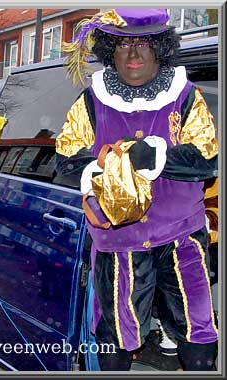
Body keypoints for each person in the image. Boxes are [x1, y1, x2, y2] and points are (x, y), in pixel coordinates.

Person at [56, 9, 218, 371]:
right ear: (110, 49)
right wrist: (108, 163)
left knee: (198, 329)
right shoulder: (91, 101)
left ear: (160, 48)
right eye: (124, 45)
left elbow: (206, 158)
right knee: (115, 334)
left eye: (143, 45)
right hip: (118, 245)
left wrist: (158, 153)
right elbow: (66, 161)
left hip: (181, 239)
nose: (133, 55)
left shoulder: (186, 97)